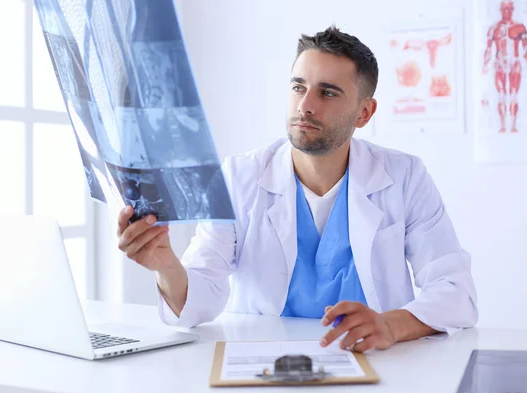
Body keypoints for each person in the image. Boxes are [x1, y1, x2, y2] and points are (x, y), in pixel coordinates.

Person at [116, 26, 478, 353]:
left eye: (328, 93)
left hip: (377, 363)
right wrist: (166, 265)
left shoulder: (404, 177)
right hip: (264, 364)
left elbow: (456, 293)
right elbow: (201, 297)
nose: (305, 105)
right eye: (298, 87)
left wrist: (389, 325)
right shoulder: (239, 176)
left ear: (364, 113)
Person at [482, 0, 527, 133]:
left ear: (513, 9)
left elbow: (525, 49)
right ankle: (502, 125)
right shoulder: (494, 28)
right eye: (504, 8)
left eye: (509, 8)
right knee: (501, 94)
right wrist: (484, 65)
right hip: (500, 63)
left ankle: (513, 125)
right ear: (500, 10)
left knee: (513, 95)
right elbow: (489, 49)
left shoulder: (520, 27)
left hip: (514, 63)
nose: (507, 11)